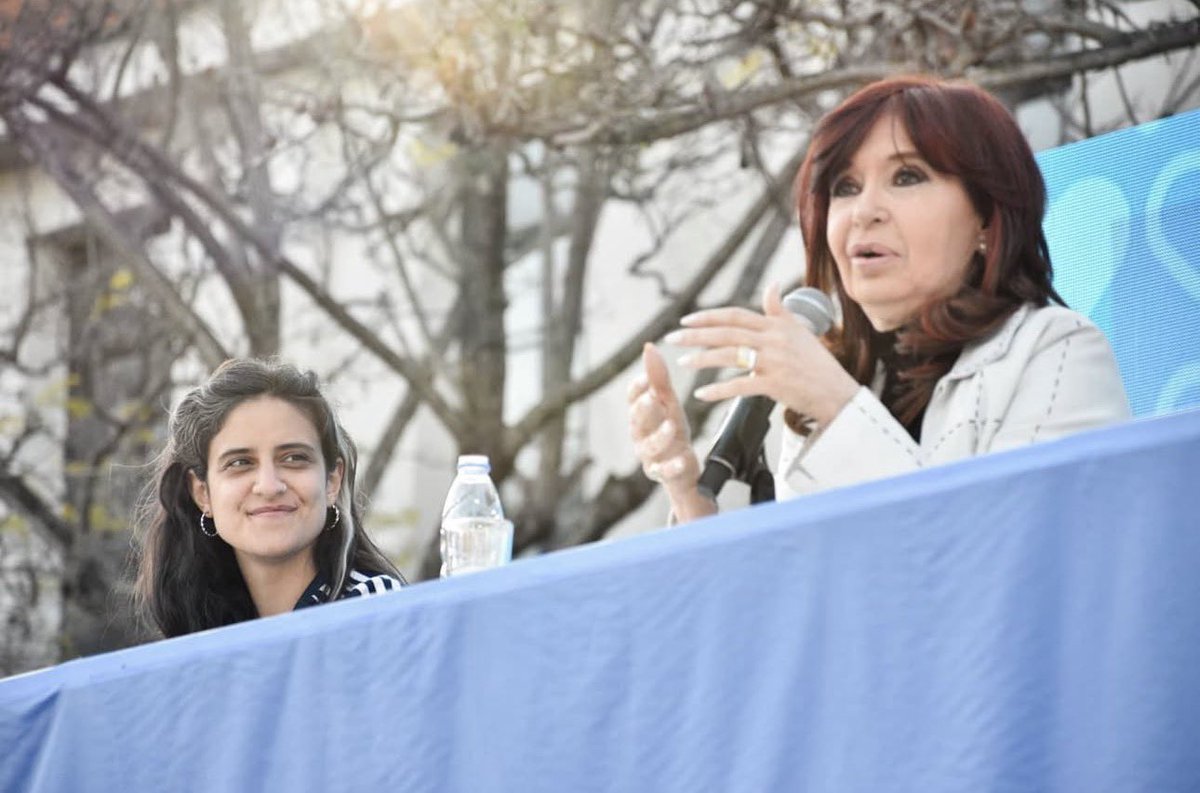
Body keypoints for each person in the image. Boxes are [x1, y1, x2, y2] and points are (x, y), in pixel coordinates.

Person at [628, 74, 1131, 524]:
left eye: (907, 176)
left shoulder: (1057, 351)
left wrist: (837, 404)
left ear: (986, 218)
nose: (863, 212)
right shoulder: (821, 391)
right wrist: (692, 498)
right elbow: (782, 606)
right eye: (845, 187)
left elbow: (1009, 568)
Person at [134, 357, 404, 638]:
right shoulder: (205, 628)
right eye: (240, 463)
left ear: (332, 481)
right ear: (203, 493)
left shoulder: (376, 610)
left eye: (293, 458)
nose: (269, 486)